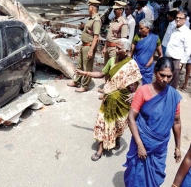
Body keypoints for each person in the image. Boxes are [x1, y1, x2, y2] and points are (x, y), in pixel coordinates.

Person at [75, 38, 142, 161]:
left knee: (119, 124)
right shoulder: (111, 60)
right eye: (116, 47)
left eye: (119, 48)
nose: (116, 50)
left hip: (123, 101)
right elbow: (101, 74)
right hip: (109, 98)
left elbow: (139, 82)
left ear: (127, 51)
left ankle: (116, 138)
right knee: (103, 122)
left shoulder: (132, 64)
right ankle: (100, 148)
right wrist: (84, 73)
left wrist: (136, 93)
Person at [124, 57, 182, 187]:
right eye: (162, 75)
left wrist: (178, 147)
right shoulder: (144, 90)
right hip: (142, 142)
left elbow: (176, 122)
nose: (165, 80)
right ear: (156, 72)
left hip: (159, 147)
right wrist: (139, 145)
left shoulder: (173, 96)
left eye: (169, 76)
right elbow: (131, 118)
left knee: (154, 178)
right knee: (136, 176)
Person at [67, 0, 101, 92]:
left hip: (89, 46)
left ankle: (85, 85)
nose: (88, 8)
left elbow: (96, 37)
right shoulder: (91, 18)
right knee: (80, 65)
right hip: (84, 45)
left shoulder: (97, 20)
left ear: (92, 8)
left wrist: (91, 50)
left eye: (89, 7)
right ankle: (76, 81)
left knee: (87, 67)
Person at [130, 19, 163, 84]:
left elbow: (160, 54)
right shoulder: (137, 37)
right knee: (133, 85)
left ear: (148, 28)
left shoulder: (155, 38)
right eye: (139, 28)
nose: (139, 30)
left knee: (145, 87)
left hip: (147, 69)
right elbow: (131, 52)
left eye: (141, 28)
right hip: (135, 66)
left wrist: (159, 66)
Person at [166, 10, 191, 89]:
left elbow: (188, 49)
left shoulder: (187, 32)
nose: (178, 19)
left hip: (177, 60)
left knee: (172, 83)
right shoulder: (174, 28)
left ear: (185, 20)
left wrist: (182, 62)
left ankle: (170, 99)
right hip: (168, 58)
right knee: (166, 80)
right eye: (177, 17)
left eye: (180, 18)